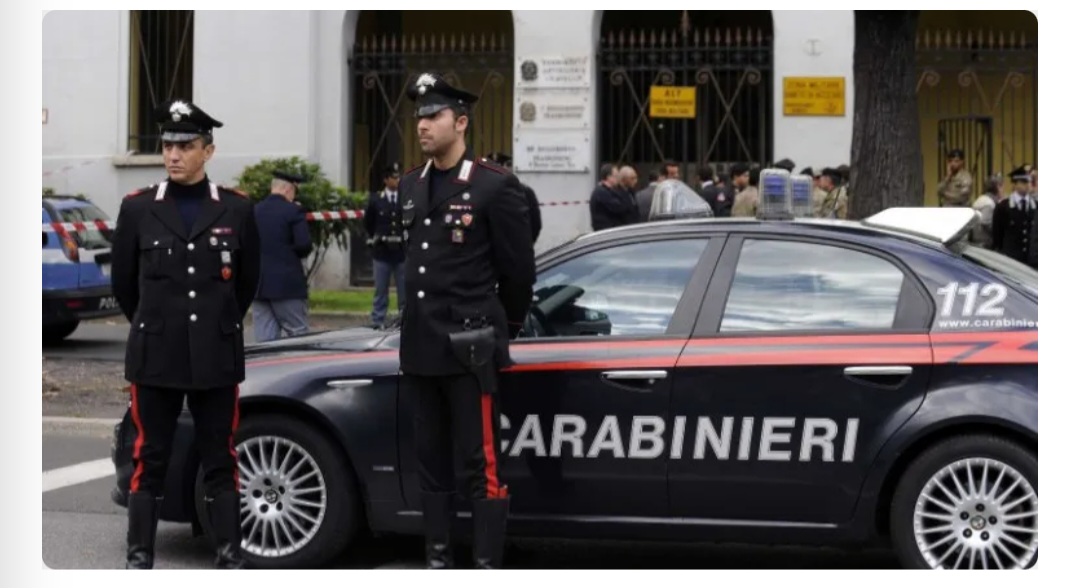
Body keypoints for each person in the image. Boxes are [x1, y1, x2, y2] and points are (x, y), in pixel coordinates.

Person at [110, 99, 259, 569]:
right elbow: (124, 286)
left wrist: (216, 324)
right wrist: (158, 324)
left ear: (208, 152)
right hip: (156, 356)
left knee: (221, 461)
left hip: (215, 358)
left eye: (186, 146)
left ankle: (229, 560)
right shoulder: (138, 210)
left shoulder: (235, 209)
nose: (173, 154)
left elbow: (246, 284)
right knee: (148, 462)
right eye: (168, 144)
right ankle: (139, 562)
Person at [397, 72, 536, 569]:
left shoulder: (494, 186)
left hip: (469, 348)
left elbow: (519, 271)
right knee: (429, 462)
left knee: (481, 464)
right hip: (420, 347)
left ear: (460, 122)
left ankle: (484, 567)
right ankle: (438, 562)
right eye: (418, 117)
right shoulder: (411, 184)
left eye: (432, 116)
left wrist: (505, 330)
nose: (422, 125)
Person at [252, 169, 313, 342]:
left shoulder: (254, 210)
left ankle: (267, 370)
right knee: (298, 336)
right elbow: (304, 245)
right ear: (288, 190)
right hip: (287, 286)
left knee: (265, 341)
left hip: (259, 286)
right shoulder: (293, 211)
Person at [363, 163, 406, 329]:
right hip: (382, 251)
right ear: (386, 180)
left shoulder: (404, 197)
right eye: (394, 178)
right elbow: (369, 223)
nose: (397, 180)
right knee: (381, 290)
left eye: (398, 177)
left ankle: (404, 320)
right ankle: (378, 320)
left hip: (401, 252)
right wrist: (376, 237)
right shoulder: (376, 199)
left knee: (404, 291)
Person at [485, 152, 542, 243]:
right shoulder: (480, 192)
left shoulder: (525, 192)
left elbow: (535, 224)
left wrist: (524, 245)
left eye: (499, 166)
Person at [992, 165, 1038, 269]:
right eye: (1023, 182)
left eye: (1028, 182)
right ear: (1015, 184)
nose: (1027, 185)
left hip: (1031, 262)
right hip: (1011, 260)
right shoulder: (1003, 206)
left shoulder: (1036, 206)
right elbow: (997, 235)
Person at [589, 163, 637, 230]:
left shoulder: (609, 191)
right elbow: (619, 207)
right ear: (609, 177)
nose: (618, 179)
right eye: (616, 176)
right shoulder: (601, 192)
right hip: (605, 233)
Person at [971, 173, 1004, 248]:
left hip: (978, 241)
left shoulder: (982, 199)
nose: (1003, 190)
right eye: (1002, 187)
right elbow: (985, 222)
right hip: (984, 243)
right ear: (998, 187)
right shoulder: (988, 203)